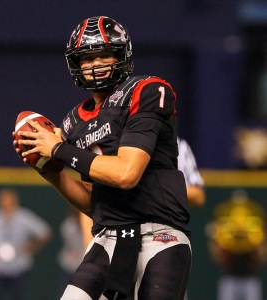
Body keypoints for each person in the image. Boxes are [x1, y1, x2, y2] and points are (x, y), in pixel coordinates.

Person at [13, 16, 191, 300]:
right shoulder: (73, 122)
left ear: (121, 56)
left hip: (159, 236)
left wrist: (58, 150)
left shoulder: (146, 91)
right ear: (76, 64)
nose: (95, 64)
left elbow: (126, 174)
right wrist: (49, 169)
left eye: (104, 55)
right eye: (87, 58)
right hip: (107, 238)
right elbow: (92, 203)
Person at [0, 188, 52, 300]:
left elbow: (44, 232)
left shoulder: (24, 216)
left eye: (9, 200)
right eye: (3, 200)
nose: (6, 203)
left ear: (15, 201)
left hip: (20, 267)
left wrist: (32, 246)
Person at [206, 189, 267, 300]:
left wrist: (259, 244)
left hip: (251, 279)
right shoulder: (225, 232)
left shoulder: (255, 230)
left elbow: (262, 256)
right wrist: (215, 240)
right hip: (229, 279)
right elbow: (216, 256)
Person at [56, 207, 85, 296]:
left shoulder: (94, 225)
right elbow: (71, 243)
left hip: (86, 268)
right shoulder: (68, 225)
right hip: (69, 267)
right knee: (65, 293)